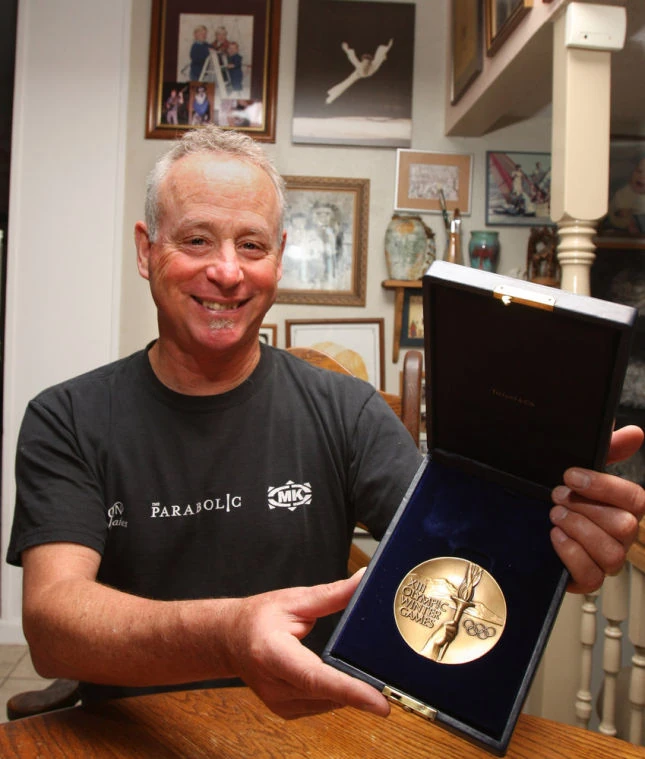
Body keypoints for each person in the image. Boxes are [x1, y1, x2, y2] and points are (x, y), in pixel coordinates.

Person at [7, 126, 645, 722]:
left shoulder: (347, 411)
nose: (227, 271)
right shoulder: (69, 419)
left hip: (314, 734)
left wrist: (555, 541)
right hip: (134, 736)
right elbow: (52, 629)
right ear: (147, 251)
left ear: (279, 258)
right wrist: (227, 638)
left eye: (251, 245)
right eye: (196, 240)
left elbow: (457, 549)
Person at [326, 39, 394, 105]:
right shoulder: (360, 65)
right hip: (357, 74)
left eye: (367, 63)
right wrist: (346, 49)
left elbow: (378, 58)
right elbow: (352, 58)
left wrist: (388, 48)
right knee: (346, 83)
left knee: (379, 57)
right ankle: (330, 98)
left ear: (369, 63)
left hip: (368, 73)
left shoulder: (373, 65)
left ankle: (330, 99)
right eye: (364, 63)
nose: (365, 64)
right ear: (362, 62)